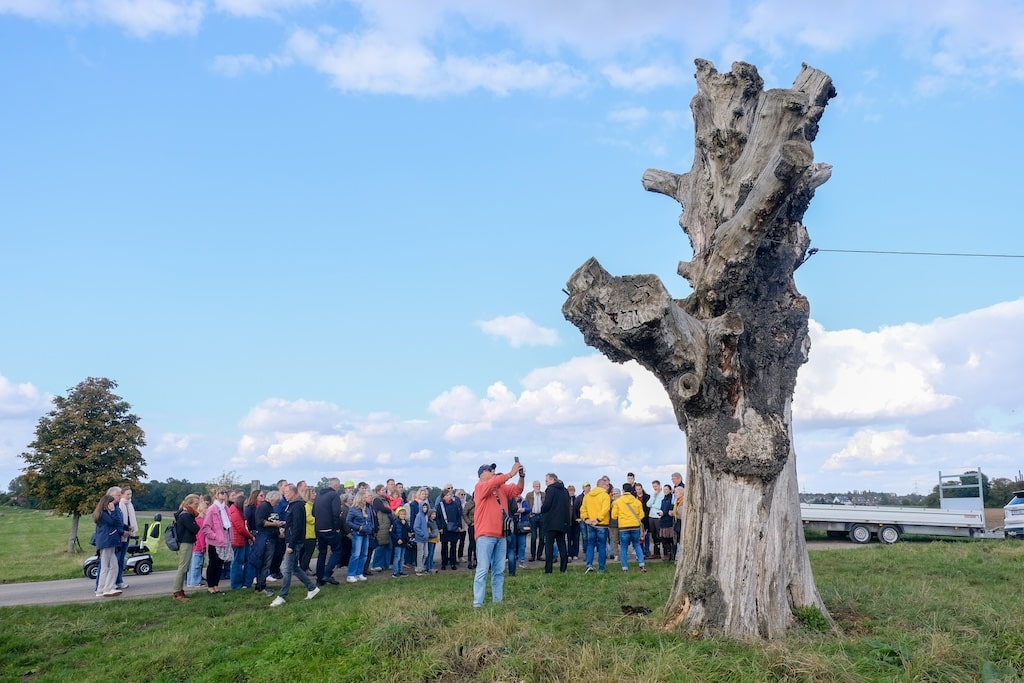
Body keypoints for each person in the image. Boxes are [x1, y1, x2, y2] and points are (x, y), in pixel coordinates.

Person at [472, 460, 525, 608]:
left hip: (501, 535)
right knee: (482, 570)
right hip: (485, 535)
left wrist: (521, 476)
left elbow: (517, 490)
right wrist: (510, 474)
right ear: (482, 474)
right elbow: (492, 484)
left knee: (499, 571)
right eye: (489, 470)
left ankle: (498, 602)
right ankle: (477, 604)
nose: (493, 471)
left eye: (493, 469)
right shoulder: (480, 486)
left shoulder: (500, 488)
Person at [270, 484, 321, 606]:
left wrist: (291, 544)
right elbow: (292, 524)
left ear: (294, 493)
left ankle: (282, 596)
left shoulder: (297, 506)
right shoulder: (292, 505)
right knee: (294, 568)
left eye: (287, 492)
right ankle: (312, 588)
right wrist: (285, 530)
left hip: (294, 542)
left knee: (286, 569)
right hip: (291, 539)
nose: (285, 494)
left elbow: (297, 526)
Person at [251, 490, 286, 595]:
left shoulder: (270, 507)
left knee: (266, 563)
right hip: (265, 539)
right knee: (265, 563)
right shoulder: (264, 507)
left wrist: (278, 529)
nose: (278, 503)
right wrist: (274, 524)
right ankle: (261, 586)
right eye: (277, 501)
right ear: (272, 499)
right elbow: (260, 522)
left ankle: (261, 584)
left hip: (271, 537)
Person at [93, 494, 125, 597]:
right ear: (106, 503)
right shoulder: (104, 514)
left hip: (108, 541)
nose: (113, 505)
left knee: (112, 566)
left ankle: (104, 588)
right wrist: (114, 511)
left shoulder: (103, 513)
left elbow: (117, 523)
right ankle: (105, 589)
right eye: (111, 503)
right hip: (107, 542)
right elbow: (114, 522)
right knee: (107, 567)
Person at [201, 488, 232, 594]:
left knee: (220, 564)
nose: (224, 495)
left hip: (225, 538)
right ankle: (210, 586)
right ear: (216, 495)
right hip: (215, 541)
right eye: (221, 493)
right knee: (213, 564)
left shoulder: (226, 509)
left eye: (225, 493)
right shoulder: (212, 509)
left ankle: (216, 585)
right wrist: (214, 536)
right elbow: (206, 527)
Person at [313, 478, 343, 586]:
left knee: (322, 553)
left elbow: (313, 512)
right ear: (336, 486)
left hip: (319, 528)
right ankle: (327, 572)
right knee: (338, 550)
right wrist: (337, 527)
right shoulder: (334, 495)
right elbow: (336, 512)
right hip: (330, 528)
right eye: (339, 486)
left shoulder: (319, 496)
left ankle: (319, 578)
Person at [171, 493, 201, 602]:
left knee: (185, 567)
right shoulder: (186, 515)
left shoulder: (186, 514)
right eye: (196, 504)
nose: (197, 506)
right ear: (189, 504)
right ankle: (177, 591)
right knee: (183, 567)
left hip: (187, 542)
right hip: (185, 543)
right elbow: (195, 528)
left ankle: (180, 590)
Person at [540, 473, 571, 574]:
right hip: (562, 522)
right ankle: (563, 568)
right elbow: (568, 506)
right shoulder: (565, 490)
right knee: (562, 545)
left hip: (551, 522)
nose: (546, 483)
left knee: (549, 546)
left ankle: (548, 570)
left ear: (552, 480)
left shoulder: (550, 489)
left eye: (547, 480)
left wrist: (542, 509)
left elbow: (547, 504)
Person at [612, 483, 646, 573]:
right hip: (635, 526)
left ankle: (625, 567)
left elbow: (614, 516)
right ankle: (642, 564)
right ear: (632, 490)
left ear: (623, 491)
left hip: (623, 527)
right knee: (637, 545)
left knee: (623, 547)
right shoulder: (636, 501)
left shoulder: (618, 502)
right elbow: (642, 515)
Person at [580, 476, 611, 574]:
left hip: (590, 524)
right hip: (601, 524)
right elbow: (605, 509)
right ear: (602, 485)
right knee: (602, 546)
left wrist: (586, 519)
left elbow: (582, 509)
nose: (608, 486)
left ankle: (589, 565)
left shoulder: (587, 496)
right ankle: (601, 568)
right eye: (606, 485)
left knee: (590, 544)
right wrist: (598, 519)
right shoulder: (604, 495)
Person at [345, 490, 373, 583]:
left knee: (364, 555)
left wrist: (370, 528)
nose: (366, 499)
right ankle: (351, 574)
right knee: (356, 554)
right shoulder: (353, 509)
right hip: (357, 534)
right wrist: (358, 528)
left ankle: (359, 573)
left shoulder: (367, 508)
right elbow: (348, 521)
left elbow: (369, 520)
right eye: (364, 497)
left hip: (366, 534)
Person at [228, 491, 254, 589]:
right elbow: (240, 528)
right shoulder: (235, 512)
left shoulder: (237, 511)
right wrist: (251, 536)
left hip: (243, 539)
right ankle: (236, 584)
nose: (246, 505)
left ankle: (246, 582)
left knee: (246, 561)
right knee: (237, 563)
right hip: (238, 541)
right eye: (245, 503)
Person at [117, 487, 138, 590]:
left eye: (130, 494)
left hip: (128, 533)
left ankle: (119, 580)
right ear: (122, 495)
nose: (129, 496)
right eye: (127, 494)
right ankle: (116, 580)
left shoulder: (130, 505)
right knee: (117, 559)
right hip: (121, 535)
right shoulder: (120, 504)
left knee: (121, 559)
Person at [436, 488, 463, 570]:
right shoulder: (440, 505)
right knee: (444, 546)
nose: (449, 497)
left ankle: (453, 562)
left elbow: (459, 515)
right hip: (444, 528)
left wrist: (459, 525)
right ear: (443, 497)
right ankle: (444, 563)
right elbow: (438, 517)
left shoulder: (455, 504)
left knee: (453, 546)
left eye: (450, 495)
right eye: (447, 495)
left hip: (454, 527)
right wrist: (440, 527)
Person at [507, 494, 531, 573]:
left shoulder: (523, 501)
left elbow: (529, 509)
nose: (517, 495)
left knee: (522, 544)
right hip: (512, 525)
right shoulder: (509, 500)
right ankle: (512, 561)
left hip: (522, 525)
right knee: (512, 545)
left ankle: (521, 560)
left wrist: (524, 509)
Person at [524, 480, 544, 562]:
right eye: (536, 486)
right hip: (533, 516)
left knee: (542, 537)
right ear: (533, 486)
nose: (538, 487)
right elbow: (525, 505)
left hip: (541, 516)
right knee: (534, 537)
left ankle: (539, 555)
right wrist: (529, 515)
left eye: (539, 486)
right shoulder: (529, 495)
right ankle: (532, 555)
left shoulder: (543, 495)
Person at [389, 507, 411, 578]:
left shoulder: (405, 522)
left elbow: (409, 530)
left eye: (404, 514)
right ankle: (395, 572)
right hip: (397, 542)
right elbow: (392, 533)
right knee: (397, 557)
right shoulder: (395, 522)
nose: (403, 516)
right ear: (398, 514)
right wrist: (397, 539)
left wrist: (405, 524)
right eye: (401, 514)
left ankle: (400, 571)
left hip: (404, 542)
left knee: (401, 558)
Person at [413, 494, 430, 576]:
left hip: (425, 538)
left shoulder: (425, 516)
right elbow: (416, 527)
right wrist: (422, 534)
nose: (425, 509)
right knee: (420, 553)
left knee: (426, 553)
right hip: (420, 538)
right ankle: (419, 568)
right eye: (423, 507)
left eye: (426, 507)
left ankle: (421, 566)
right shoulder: (419, 516)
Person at [648, 480, 664, 560]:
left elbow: (660, 505)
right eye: (653, 487)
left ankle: (664, 552)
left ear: (659, 485)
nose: (655, 488)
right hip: (651, 516)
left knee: (660, 534)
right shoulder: (653, 494)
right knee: (654, 535)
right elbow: (648, 504)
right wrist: (654, 496)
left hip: (658, 516)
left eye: (656, 486)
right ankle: (656, 552)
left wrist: (653, 505)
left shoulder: (663, 494)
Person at [463, 491, 477, 570]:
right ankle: (469, 561)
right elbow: (464, 514)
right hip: (472, 525)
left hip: (480, 526)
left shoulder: (482, 502)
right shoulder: (469, 504)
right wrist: (469, 523)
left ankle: (476, 559)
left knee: (478, 544)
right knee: (472, 543)